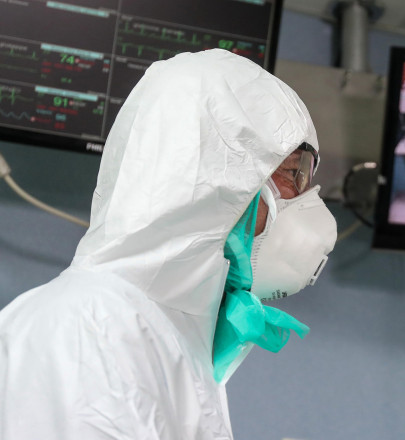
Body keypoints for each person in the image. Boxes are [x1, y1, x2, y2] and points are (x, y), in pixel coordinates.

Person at [0, 49, 337, 439]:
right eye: (294, 174)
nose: (303, 198)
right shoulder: (85, 330)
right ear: (217, 174)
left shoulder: (169, 332)